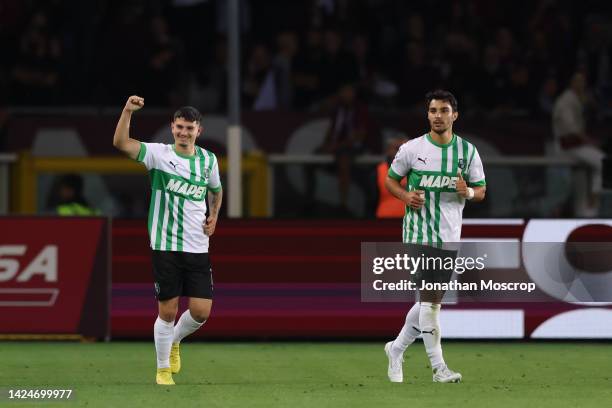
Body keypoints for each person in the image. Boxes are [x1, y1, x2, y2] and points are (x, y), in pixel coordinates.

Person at [113, 96, 222, 385]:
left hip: (198, 245)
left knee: (201, 312)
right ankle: (162, 369)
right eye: (179, 127)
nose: (183, 132)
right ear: (172, 128)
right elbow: (121, 144)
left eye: (189, 128)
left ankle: (174, 341)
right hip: (165, 245)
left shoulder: (208, 160)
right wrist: (127, 111)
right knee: (168, 310)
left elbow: (216, 189)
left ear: (199, 130)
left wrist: (214, 215)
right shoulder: (158, 154)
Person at [383, 90, 486, 383]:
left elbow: (480, 191)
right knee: (430, 303)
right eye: (432, 110)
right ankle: (438, 368)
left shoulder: (467, 152)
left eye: (443, 110)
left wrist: (465, 191)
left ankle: (396, 348)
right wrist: (405, 196)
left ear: (455, 115)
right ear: (427, 115)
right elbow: (392, 180)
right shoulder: (412, 149)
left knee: (430, 301)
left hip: (449, 233)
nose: (437, 116)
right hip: (418, 232)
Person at [552, 72, 604, 217]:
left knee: (580, 187)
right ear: (572, 83)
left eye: (583, 81)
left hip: (576, 149)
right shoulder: (565, 100)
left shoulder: (578, 99)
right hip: (568, 147)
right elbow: (571, 130)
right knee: (604, 160)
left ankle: (588, 213)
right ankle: (595, 196)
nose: (581, 84)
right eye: (578, 81)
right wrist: (590, 142)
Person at [376, 138, 407, 218]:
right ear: (388, 150)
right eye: (397, 148)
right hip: (385, 220)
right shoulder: (379, 170)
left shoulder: (418, 170)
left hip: (410, 221)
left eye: (405, 148)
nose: (402, 152)